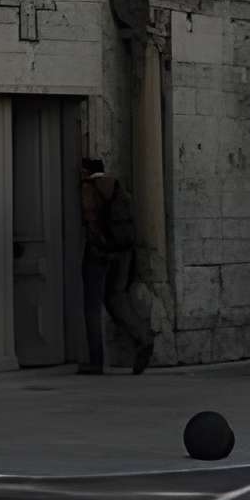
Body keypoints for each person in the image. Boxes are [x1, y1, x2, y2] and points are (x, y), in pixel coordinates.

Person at [78, 155, 154, 375]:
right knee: (116, 298)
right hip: (123, 252)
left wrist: (97, 245)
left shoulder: (89, 188)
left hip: (100, 253)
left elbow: (90, 219)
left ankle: (96, 361)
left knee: (92, 306)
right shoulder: (117, 186)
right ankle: (143, 337)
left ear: (86, 171)